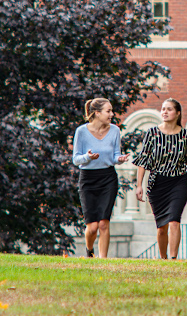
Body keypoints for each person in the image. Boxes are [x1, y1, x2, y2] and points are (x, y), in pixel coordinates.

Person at [133, 98, 187, 259]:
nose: (164, 112)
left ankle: (173, 259)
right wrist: (139, 185)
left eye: (169, 109)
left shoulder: (185, 135)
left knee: (174, 221)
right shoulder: (152, 133)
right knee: (161, 228)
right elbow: (143, 160)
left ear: (177, 113)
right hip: (157, 183)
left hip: (179, 182)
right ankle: (163, 258)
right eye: (163, 109)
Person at [72, 98, 129, 258]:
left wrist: (120, 159)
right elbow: (76, 159)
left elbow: (115, 155)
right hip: (88, 179)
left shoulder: (115, 131)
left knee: (104, 223)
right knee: (92, 227)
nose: (112, 114)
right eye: (108, 111)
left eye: (111, 111)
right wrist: (88, 157)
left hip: (108, 178)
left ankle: (103, 260)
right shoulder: (81, 131)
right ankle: (89, 250)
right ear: (97, 113)